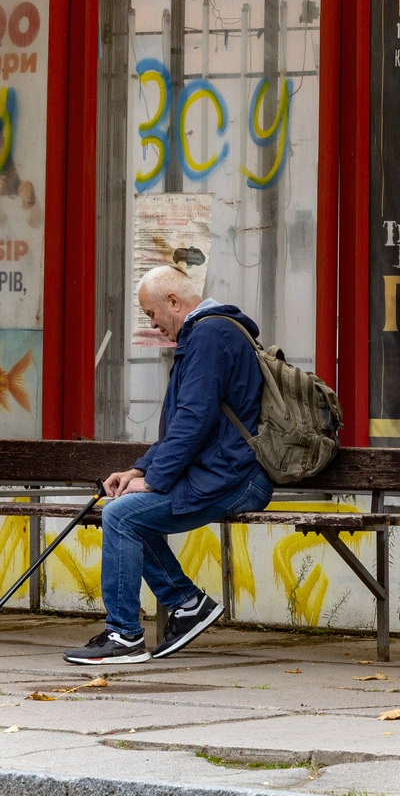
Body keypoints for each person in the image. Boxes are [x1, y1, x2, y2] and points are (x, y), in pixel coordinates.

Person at [63, 265, 273, 665]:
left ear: (173, 302)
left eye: (151, 314)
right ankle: (186, 603)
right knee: (128, 511)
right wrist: (139, 471)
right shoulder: (208, 333)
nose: (153, 324)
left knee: (122, 515)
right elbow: (183, 423)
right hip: (224, 473)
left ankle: (124, 634)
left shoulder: (210, 335)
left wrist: (156, 481)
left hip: (235, 479)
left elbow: (194, 420)